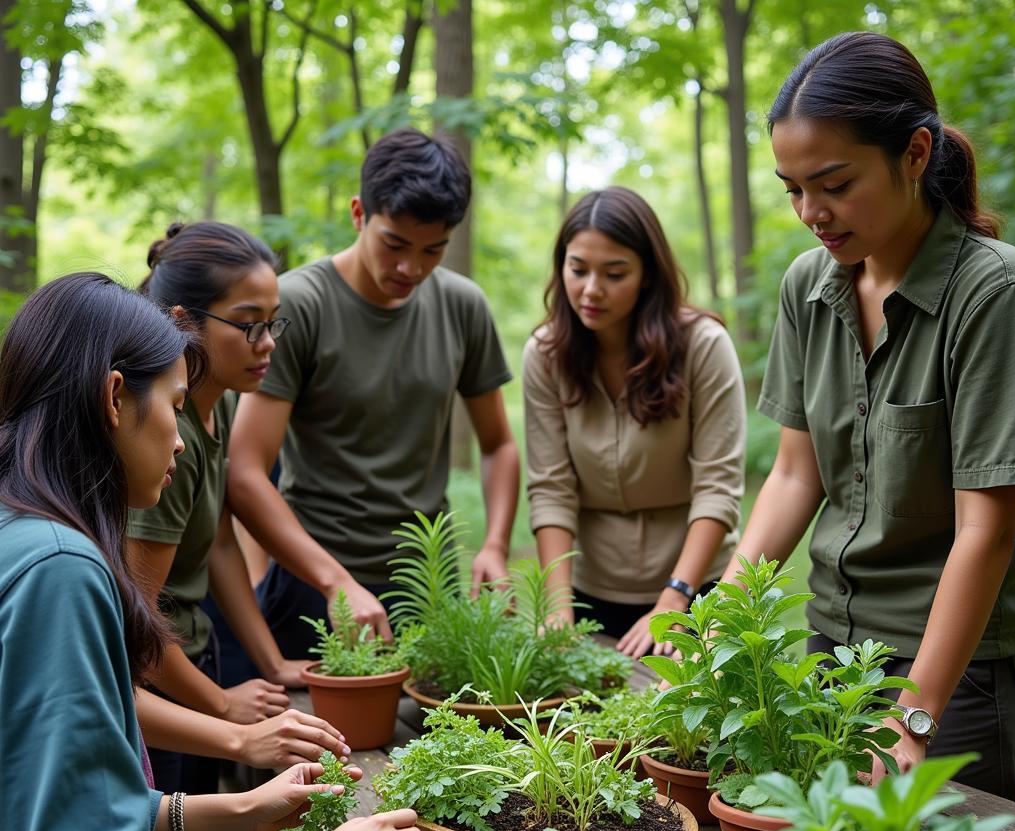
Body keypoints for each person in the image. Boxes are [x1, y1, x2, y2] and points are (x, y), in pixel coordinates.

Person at [0, 271, 420, 831]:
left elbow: (55, 814)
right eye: (170, 404)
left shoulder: (21, 533)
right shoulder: (59, 572)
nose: (180, 434)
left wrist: (242, 809)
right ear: (113, 399)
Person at [725, 31, 1015, 800]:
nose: (809, 212)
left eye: (833, 183)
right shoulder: (807, 286)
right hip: (830, 644)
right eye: (791, 188)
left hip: (953, 665)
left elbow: (986, 528)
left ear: (915, 153)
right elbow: (795, 474)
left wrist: (914, 716)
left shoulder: (993, 295)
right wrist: (718, 630)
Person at [225, 128, 520, 674]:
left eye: (433, 249)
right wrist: (330, 580)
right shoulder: (298, 303)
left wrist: (496, 544)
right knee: (316, 755)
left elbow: (499, 444)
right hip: (316, 582)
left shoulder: (462, 306)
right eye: (395, 244)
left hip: (428, 584)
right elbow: (245, 470)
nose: (412, 268)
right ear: (360, 214)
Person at [128, 222, 337, 797]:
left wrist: (270, 662)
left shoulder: (213, 412)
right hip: (160, 690)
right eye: (248, 325)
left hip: (193, 664)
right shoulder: (171, 440)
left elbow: (220, 542)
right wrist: (221, 704)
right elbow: (135, 623)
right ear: (182, 322)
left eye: (273, 322)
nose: (267, 342)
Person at [524, 186, 746, 659]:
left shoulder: (703, 346)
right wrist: (557, 609)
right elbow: (551, 487)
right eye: (577, 269)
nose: (590, 290)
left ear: (647, 274)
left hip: (695, 588)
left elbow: (718, 486)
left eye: (615, 273)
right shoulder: (546, 355)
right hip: (591, 590)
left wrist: (676, 596)